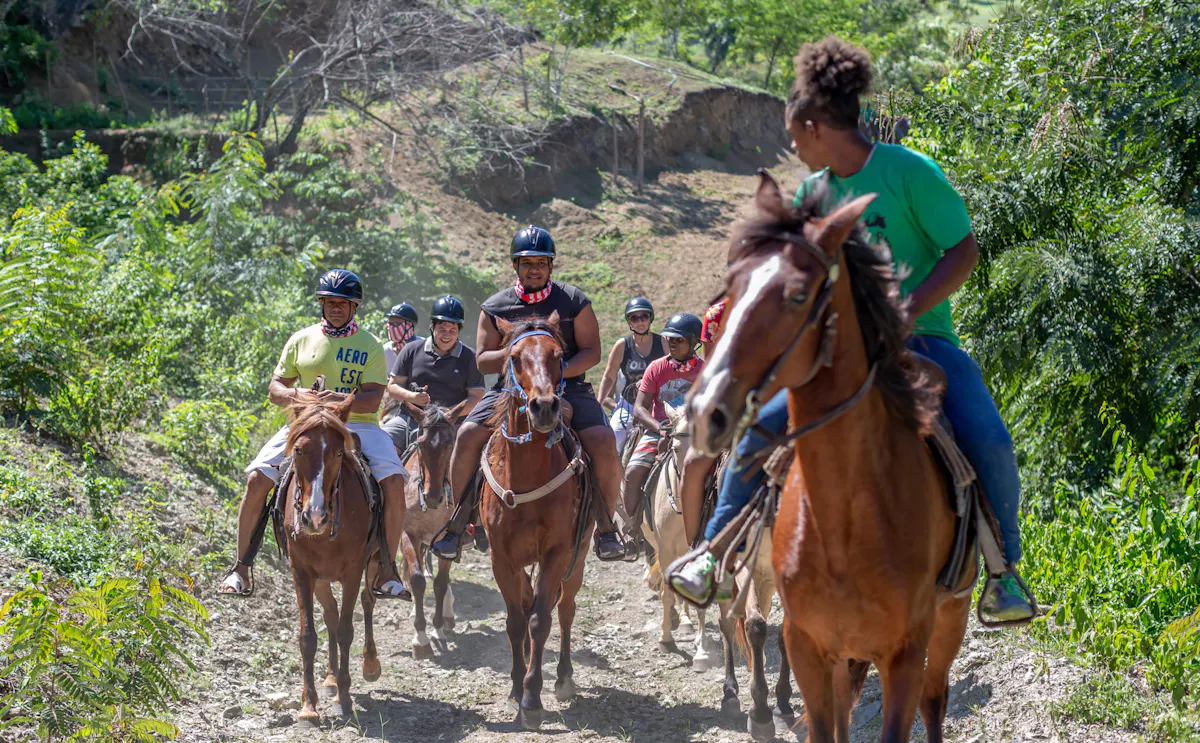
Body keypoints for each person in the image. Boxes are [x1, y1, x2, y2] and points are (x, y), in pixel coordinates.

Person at [672, 36, 1034, 625]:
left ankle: (1003, 572)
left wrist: (906, 311)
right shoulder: (812, 195)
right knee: (756, 431)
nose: (791, 144)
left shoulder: (910, 172)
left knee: (989, 439)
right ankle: (713, 553)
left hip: (922, 341)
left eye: (794, 132)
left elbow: (963, 250)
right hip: (833, 356)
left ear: (815, 125)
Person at [430, 225, 627, 561]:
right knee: (466, 434)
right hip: (510, 389)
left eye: (540, 262)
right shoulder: (496, 307)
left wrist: (553, 374)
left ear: (551, 266)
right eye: (526, 263)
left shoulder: (573, 301)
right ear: (515, 266)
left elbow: (592, 352)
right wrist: (522, 356)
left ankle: (606, 528)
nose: (533, 268)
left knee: (604, 442)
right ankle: (460, 521)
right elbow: (482, 358)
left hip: (569, 387)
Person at [218, 269, 409, 599]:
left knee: (393, 482)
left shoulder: (371, 345)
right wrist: (297, 396)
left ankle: (387, 568)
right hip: (304, 423)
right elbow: (275, 387)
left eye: (343, 303)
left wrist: (341, 399)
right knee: (256, 480)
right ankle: (242, 567)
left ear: (354, 307)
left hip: (357, 423)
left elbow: (375, 397)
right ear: (322, 304)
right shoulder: (300, 339)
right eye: (330, 302)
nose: (336, 308)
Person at [620, 313, 704, 556]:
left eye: (679, 340)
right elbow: (639, 408)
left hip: (693, 435)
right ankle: (633, 529)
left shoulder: (704, 371)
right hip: (660, 431)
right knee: (633, 471)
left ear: (693, 342)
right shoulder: (657, 367)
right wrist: (659, 428)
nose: (673, 344)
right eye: (670, 339)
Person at [383, 295, 486, 453]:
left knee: (476, 454)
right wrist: (411, 397)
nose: (447, 335)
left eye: (453, 330)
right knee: (382, 443)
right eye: (442, 329)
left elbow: (476, 397)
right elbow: (393, 385)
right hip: (410, 420)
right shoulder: (410, 350)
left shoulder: (470, 357)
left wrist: (448, 414)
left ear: (459, 331)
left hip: (454, 423)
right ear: (432, 327)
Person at [598, 297, 665, 456]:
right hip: (629, 405)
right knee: (613, 438)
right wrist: (598, 404)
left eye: (644, 316)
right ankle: (609, 478)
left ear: (651, 318)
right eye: (634, 318)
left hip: (658, 403)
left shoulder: (662, 342)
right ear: (629, 321)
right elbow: (609, 377)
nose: (640, 322)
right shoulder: (622, 345)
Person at [382, 302, 420, 374]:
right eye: (389, 324)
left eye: (395, 324)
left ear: (409, 326)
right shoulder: (384, 351)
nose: (390, 328)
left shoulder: (423, 346)